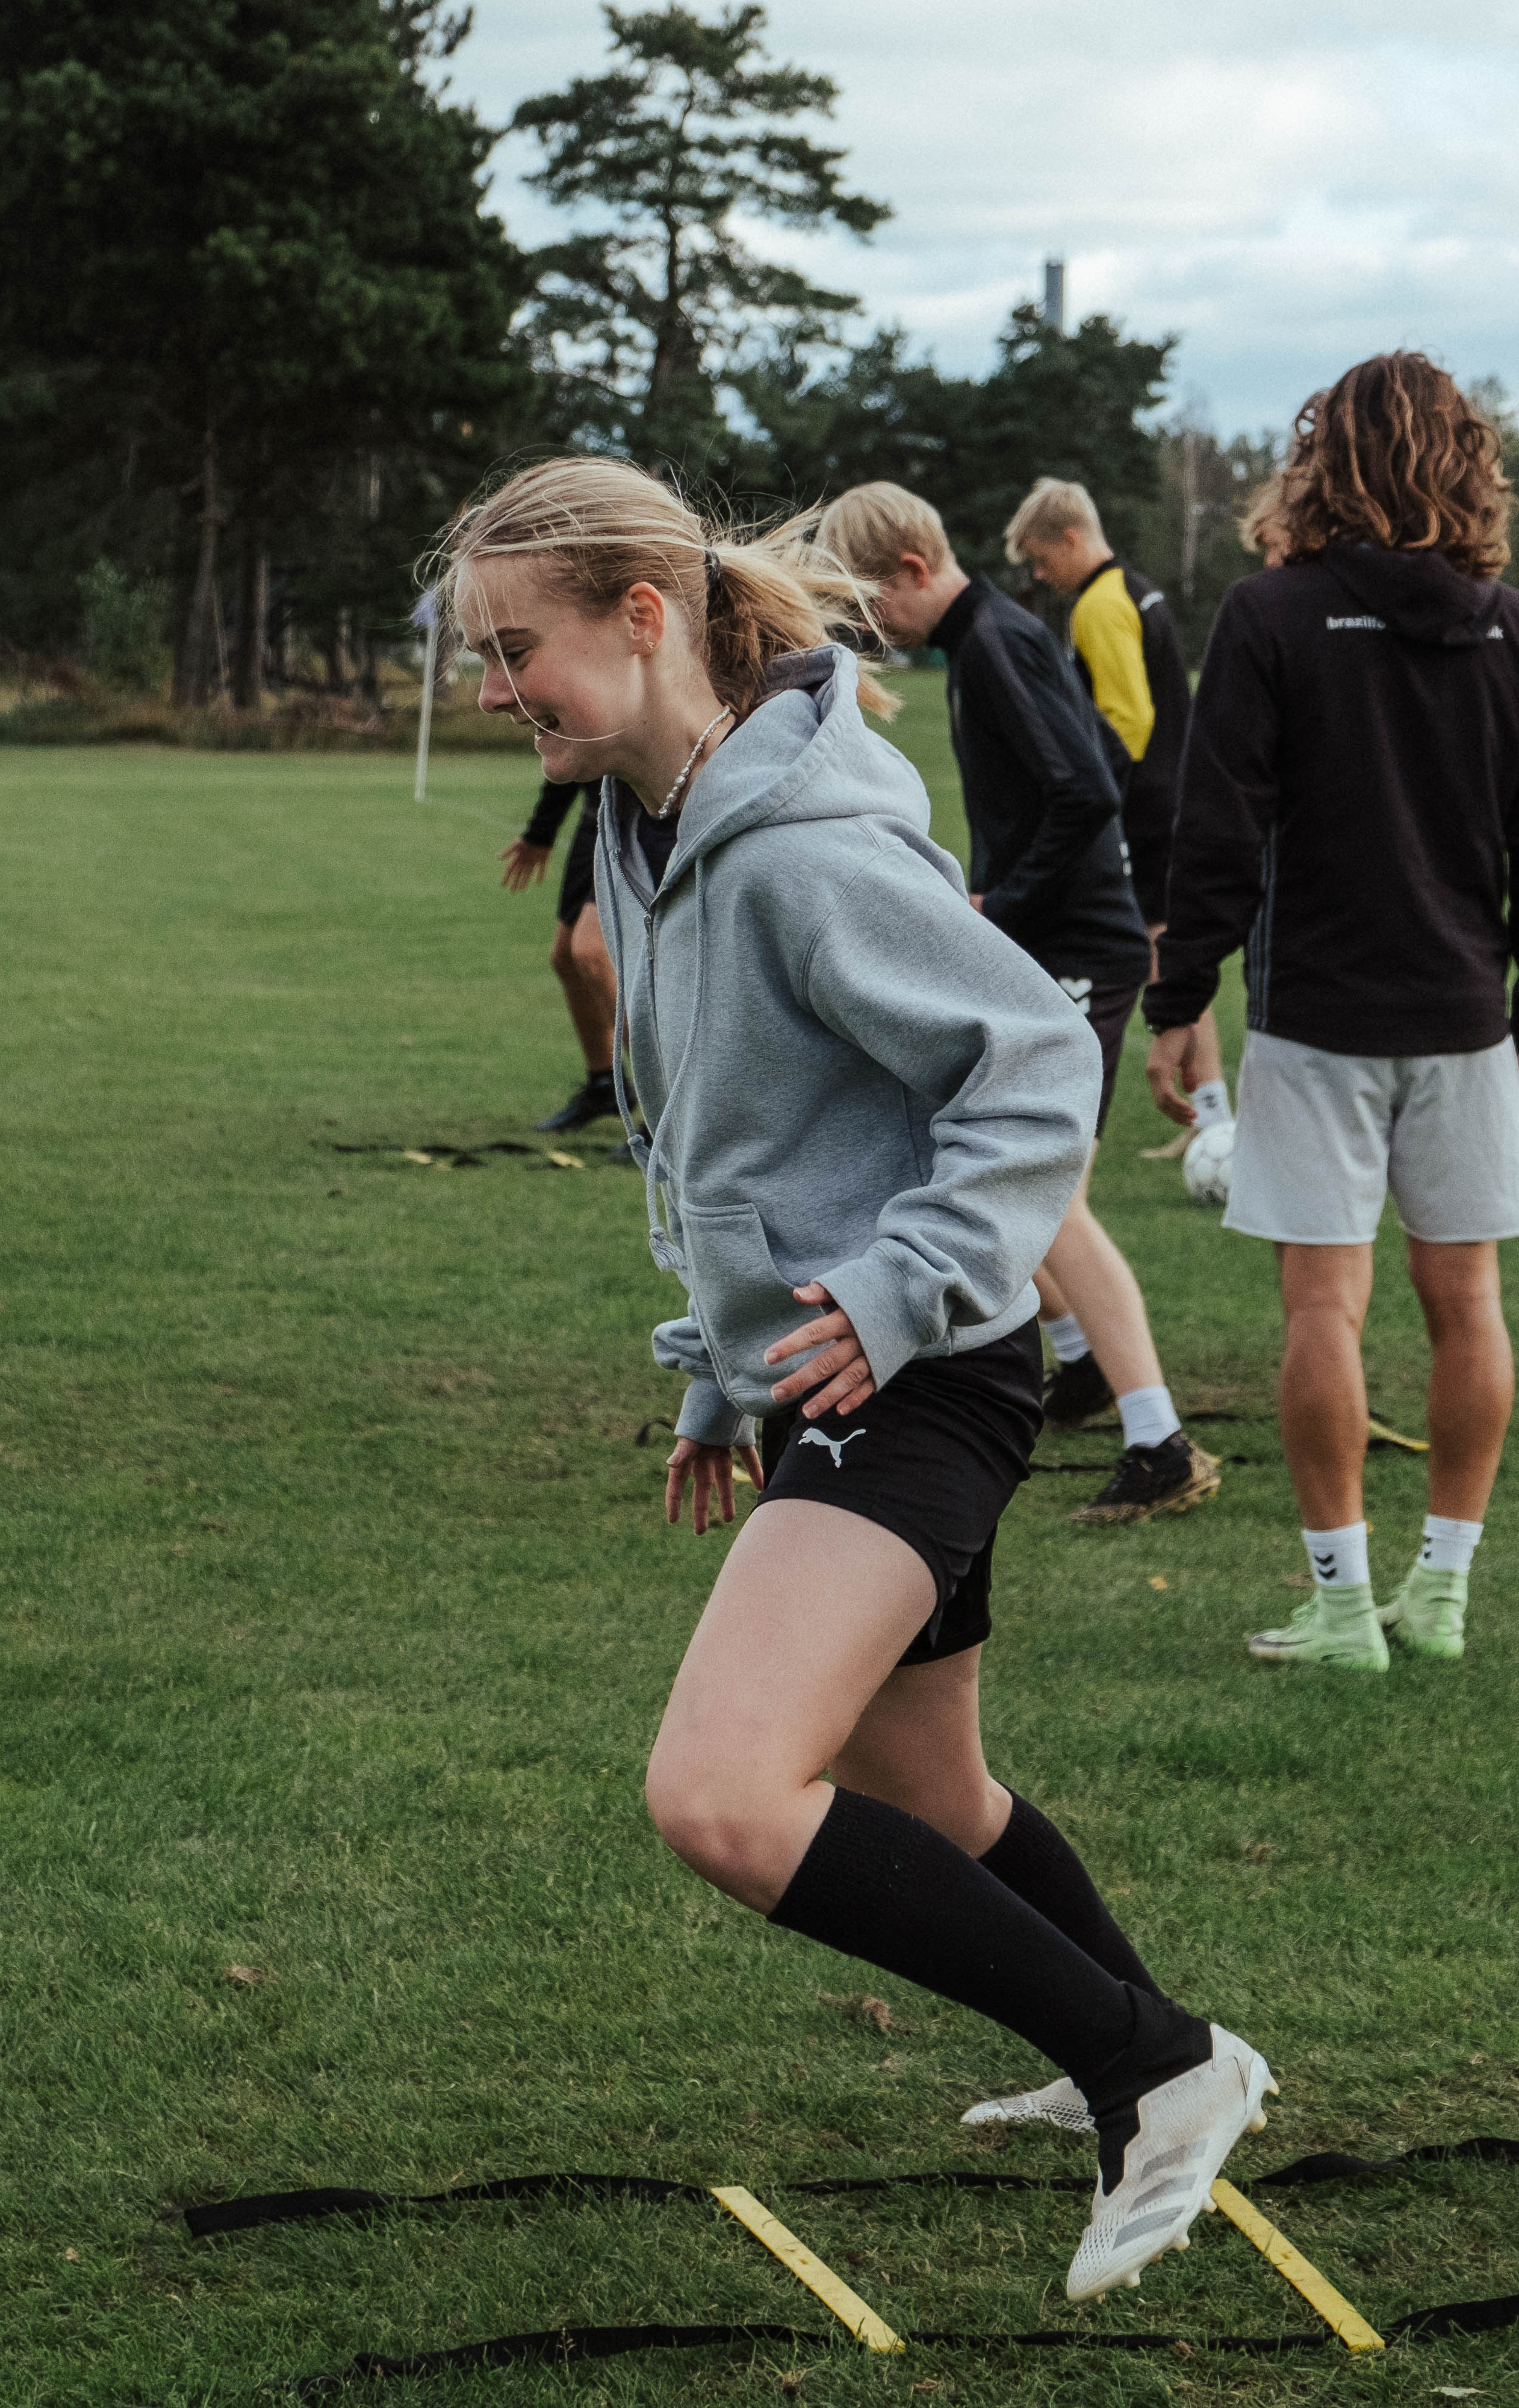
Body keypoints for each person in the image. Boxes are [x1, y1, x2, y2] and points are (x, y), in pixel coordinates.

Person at [433, 455, 1276, 2301]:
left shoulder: (803, 846)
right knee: (931, 1791)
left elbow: (1035, 1069)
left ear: (640, 619)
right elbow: (741, 1141)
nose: (495, 693)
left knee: (723, 1794)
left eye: (516, 651)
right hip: (835, 1374)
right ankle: (1140, 2039)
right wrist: (715, 1375)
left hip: (921, 1376)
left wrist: (895, 1297)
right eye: (480, 658)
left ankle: (1158, 2076)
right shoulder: (661, 823)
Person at [1146, 353, 1519, 1672]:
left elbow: (1216, 832)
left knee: (1321, 1312)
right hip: (1468, 1021)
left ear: (1321, 460)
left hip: (1315, 1020)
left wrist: (1178, 1002)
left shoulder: (1271, 614)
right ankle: (1439, 1595)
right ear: (1467, 461)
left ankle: (1347, 1607)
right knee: (1468, 1298)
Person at [824, 480, 1217, 1527]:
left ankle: (1160, 1440)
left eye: (870, 606)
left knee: (1047, 1198)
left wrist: (995, 903)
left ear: (913, 569)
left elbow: (1083, 791)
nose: (872, 633)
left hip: (1080, 945)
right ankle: (1084, 1370)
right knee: (997, 1173)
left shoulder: (996, 643)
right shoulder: (988, 638)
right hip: (1048, 946)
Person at [1007, 477, 1232, 1209]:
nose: (1040, 575)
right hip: (1178, 794)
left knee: (1166, 950)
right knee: (1175, 947)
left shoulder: (1101, 604)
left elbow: (1127, 718)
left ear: (1072, 538)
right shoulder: (1139, 589)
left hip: (1147, 808)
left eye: (1042, 559)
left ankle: (1213, 1122)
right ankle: (1211, 1119)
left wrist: (1092, 794)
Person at [496, 777, 620, 1132]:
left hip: (644, 811)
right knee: (566, 957)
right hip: (597, 815)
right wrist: (541, 831)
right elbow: (568, 743)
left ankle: (672, 1103)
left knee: (592, 954)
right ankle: (604, 1085)